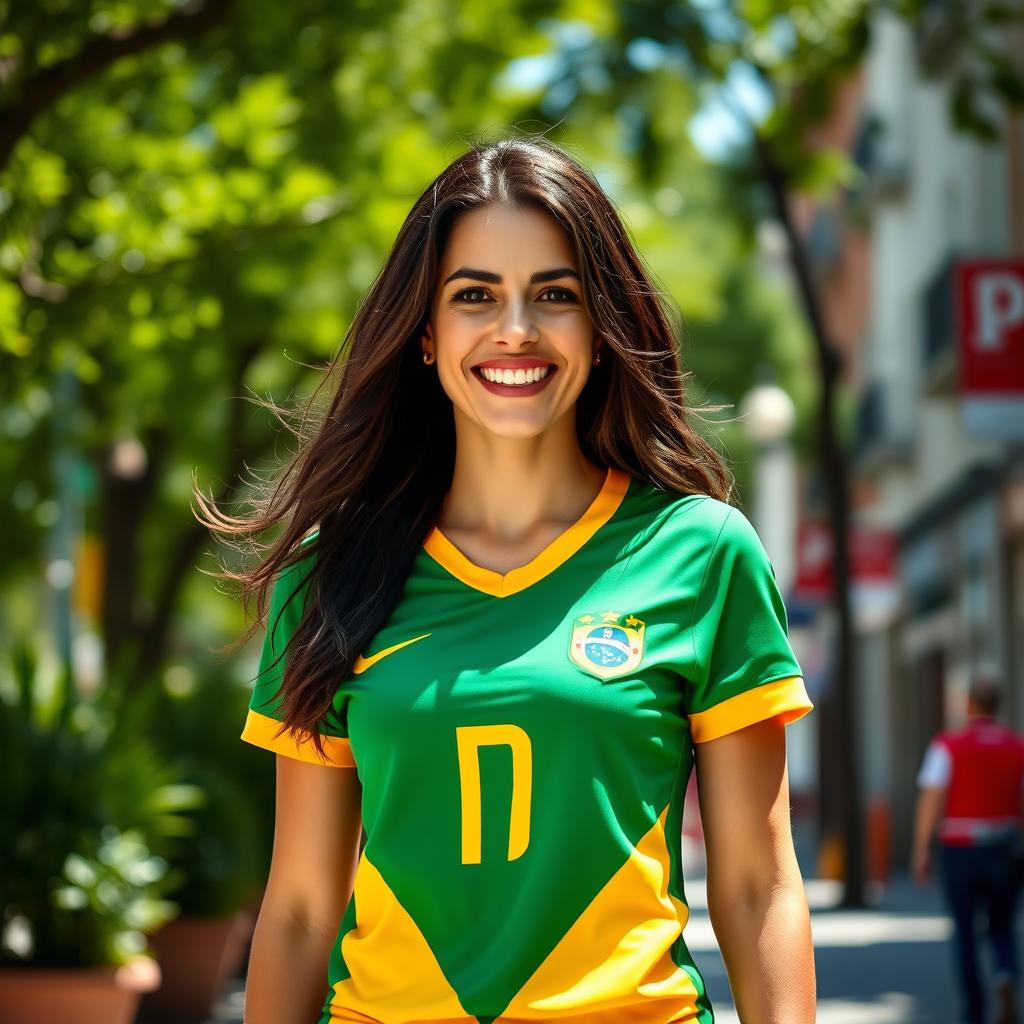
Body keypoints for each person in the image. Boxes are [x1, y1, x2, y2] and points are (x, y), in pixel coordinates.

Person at [197, 136, 816, 1024]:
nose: (515, 330)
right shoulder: (331, 578)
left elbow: (760, 885)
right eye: (475, 295)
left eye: (555, 295)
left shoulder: (704, 554)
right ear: (424, 334)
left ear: (603, 329)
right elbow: (298, 910)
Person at [913, 672, 1024, 1024]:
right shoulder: (1017, 746)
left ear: (969, 704)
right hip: (1004, 846)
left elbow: (931, 798)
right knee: (1004, 925)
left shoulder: (947, 745)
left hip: (960, 848)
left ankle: (974, 1009)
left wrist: (921, 850)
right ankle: (1005, 975)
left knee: (964, 930)